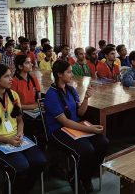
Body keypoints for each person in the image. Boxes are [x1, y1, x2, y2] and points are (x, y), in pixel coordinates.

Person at [0, 63, 47, 193]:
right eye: (7, 76)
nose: (11, 79)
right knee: (22, 166)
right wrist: (8, 140)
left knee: (40, 161)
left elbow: (20, 121)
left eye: (11, 76)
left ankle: (23, 189)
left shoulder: (13, 95)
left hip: (16, 138)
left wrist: (20, 133)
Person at [44, 60, 109, 193]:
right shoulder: (51, 94)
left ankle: (86, 176)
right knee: (87, 150)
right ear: (59, 74)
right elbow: (65, 122)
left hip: (75, 125)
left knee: (103, 142)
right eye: (68, 72)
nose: (71, 74)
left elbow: (80, 113)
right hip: (58, 130)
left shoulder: (71, 89)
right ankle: (76, 177)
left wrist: (86, 98)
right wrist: (90, 129)